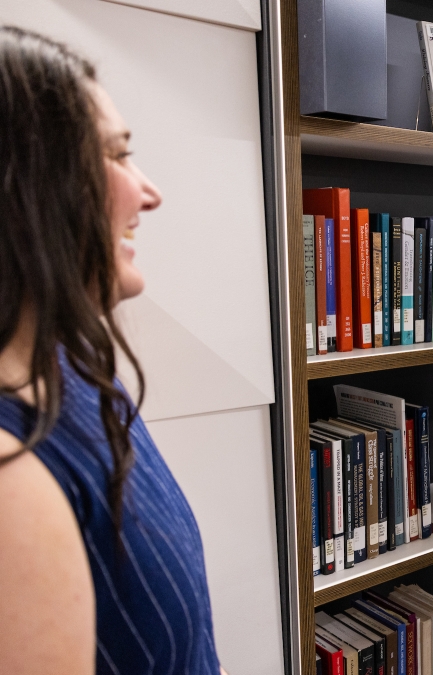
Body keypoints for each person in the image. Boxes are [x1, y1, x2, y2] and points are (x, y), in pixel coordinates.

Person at [0, 27, 225, 674]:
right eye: (117, 156)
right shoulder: (11, 480)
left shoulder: (76, 370)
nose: (147, 192)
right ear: (28, 188)